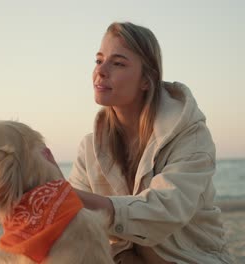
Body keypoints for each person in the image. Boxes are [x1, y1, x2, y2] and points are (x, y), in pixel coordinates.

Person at [67, 22, 233, 263]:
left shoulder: (191, 135)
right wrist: (47, 182)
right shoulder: (89, 148)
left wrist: (68, 198)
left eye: (118, 63)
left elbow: (165, 210)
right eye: (99, 60)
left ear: (146, 79)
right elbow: (75, 225)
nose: (101, 71)